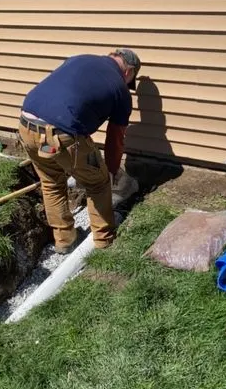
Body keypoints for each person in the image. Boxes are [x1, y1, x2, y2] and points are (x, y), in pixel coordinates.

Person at [19, 48, 141, 253]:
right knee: (98, 182)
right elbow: (115, 139)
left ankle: (64, 240)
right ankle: (104, 239)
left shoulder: (80, 59)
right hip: (61, 134)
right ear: (129, 72)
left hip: (27, 126)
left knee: (51, 183)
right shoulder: (120, 88)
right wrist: (110, 171)